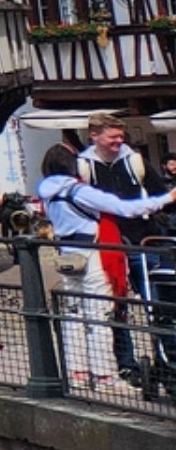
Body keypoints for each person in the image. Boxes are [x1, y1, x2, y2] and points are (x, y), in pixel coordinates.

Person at [36, 136, 176, 387]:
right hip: (91, 254)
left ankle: (76, 373)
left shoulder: (45, 191)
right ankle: (103, 375)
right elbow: (124, 208)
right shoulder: (78, 191)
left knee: (73, 314)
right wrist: (166, 199)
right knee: (98, 312)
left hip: (67, 253)